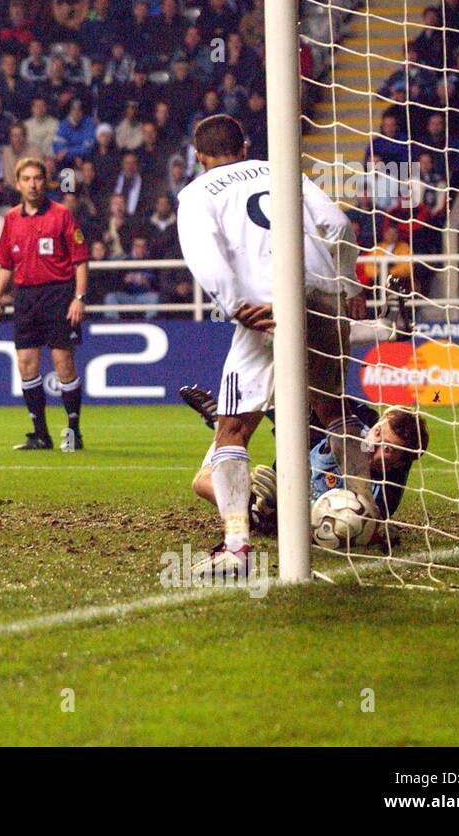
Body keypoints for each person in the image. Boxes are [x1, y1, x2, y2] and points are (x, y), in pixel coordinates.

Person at [175, 114, 371, 577]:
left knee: (233, 430)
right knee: (333, 411)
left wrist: (233, 303)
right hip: (323, 291)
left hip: (268, 306)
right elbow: (339, 226)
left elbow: (203, 253)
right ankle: (368, 517)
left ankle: (237, 545)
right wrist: (351, 287)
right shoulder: (282, 170)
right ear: (244, 145)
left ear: (199, 156)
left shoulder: (197, 194)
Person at [180, 385, 429, 541]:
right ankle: (219, 427)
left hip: (290, 509)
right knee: (202, 482)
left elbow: (355, 530)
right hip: (294, 466)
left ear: (398, 464)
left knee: (252, 516)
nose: (373, 445)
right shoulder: (347, 420)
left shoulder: (385, 491)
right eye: (377, 433)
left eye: (388, 450)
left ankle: (260, 513)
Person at [0, 156, 89, 451]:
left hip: (59, 295)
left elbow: (81, 261)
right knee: (26, 364)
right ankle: (41, 434)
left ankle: (73, 432)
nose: (32, 184)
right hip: (26, 298)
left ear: (45, 182)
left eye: (37, 178)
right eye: (27, 179)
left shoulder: (62, 215)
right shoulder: (10, 219)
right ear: (18, 184)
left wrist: (78, 298)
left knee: (63, 364)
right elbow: (5, 264)